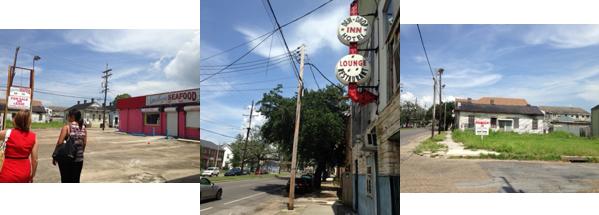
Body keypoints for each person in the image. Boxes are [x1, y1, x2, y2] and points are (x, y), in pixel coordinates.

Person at [0, 110, 39, 183]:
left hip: (6, 171)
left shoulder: (7, 133)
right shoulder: (33, 137)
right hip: (24, 173)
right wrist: (32, 175)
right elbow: (35, 160)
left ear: (16, 120)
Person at [53, 109, 87, 183]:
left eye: (68, 115)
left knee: (65, 179)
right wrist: (80, 153)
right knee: (76, 180)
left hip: (67, 159)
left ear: (72, 117)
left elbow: (59, 143)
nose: (67, 117)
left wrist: (55, 155)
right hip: (79, 159)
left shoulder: (67, 127)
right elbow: (84, 143)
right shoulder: (83, 128)